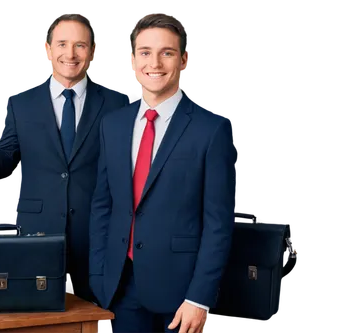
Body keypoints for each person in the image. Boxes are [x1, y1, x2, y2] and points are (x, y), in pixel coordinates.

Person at [0, 12, 132, 304]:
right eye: (61, 44)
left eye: (80, 45)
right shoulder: (21, 104)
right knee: (37, 315)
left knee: (103, 315)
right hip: (38, 234)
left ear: (94, 52)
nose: (70, 54)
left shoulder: (119, 103)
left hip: (99, 236)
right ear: (46, 49)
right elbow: (4, 162)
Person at [89, 11, 237, 333]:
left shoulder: (212, 130)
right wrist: (99, 278)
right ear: (132, 61)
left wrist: (200, 299)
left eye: (166, 52)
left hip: (181, 295)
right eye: (145, 52)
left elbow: (218, 223)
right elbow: (103, 205)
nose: (154, 63)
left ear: (184, 60)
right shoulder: (112, 126)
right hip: (119, 288)